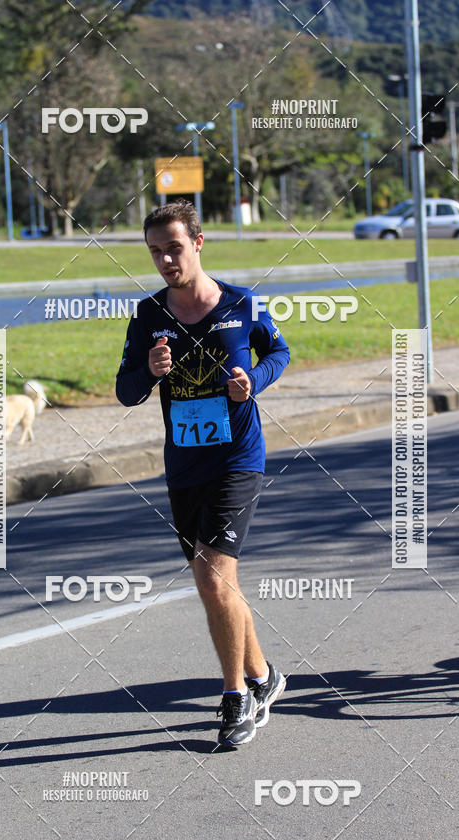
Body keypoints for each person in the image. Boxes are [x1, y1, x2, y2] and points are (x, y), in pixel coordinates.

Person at [116, 200, 290, 747]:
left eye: (173, 247)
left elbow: (279, 352)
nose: (166, 259)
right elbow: (124, 391)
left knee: (215, 577)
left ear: (198, 241)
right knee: (218, 583)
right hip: (184, 462)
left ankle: (236, 698)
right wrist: (149, 370)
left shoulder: (241, 303)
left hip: (238, 458)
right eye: (155, 252)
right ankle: (265, 676)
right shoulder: (149, 316)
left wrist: (253, 381)